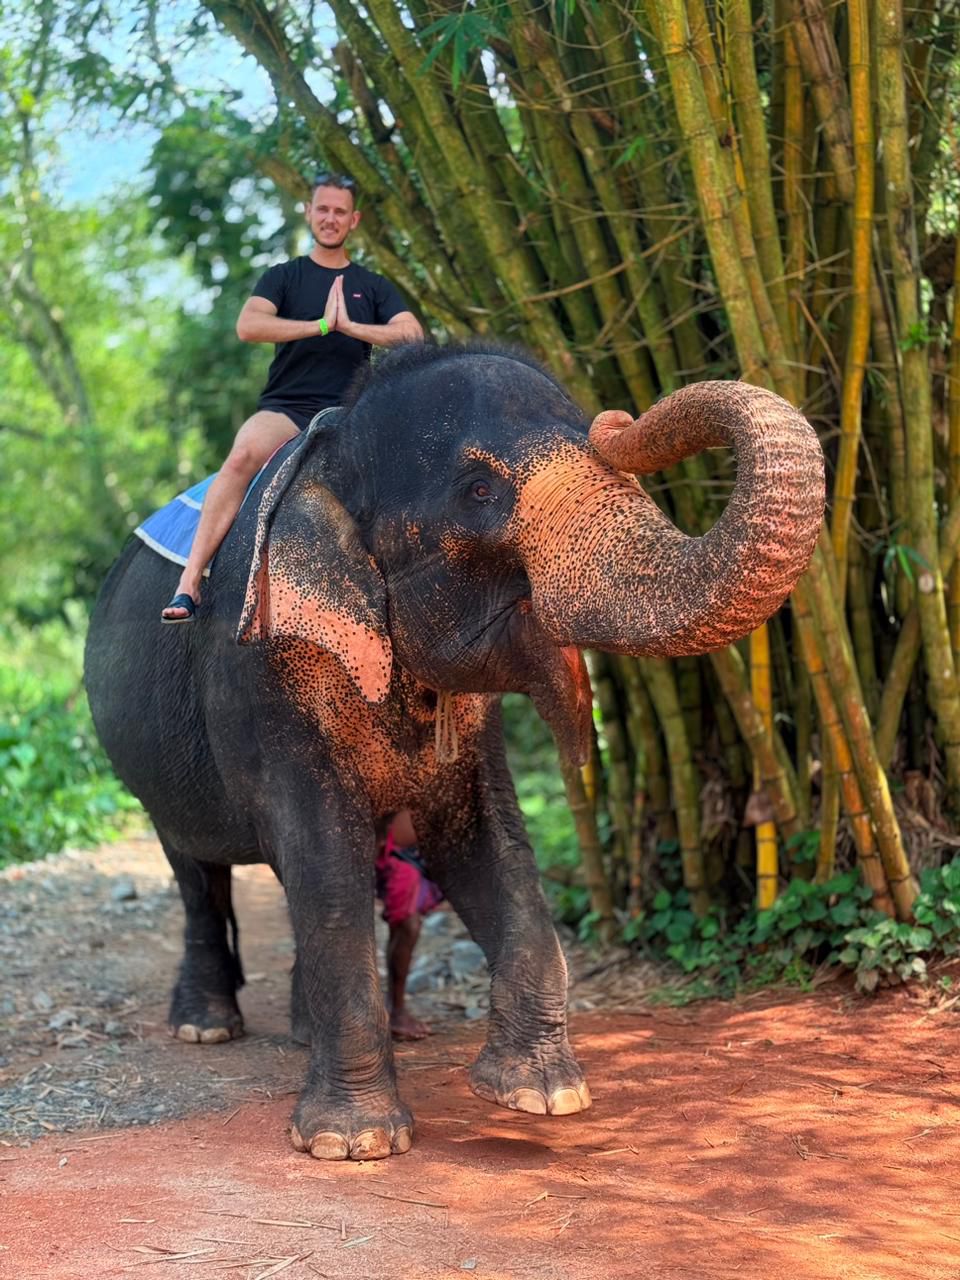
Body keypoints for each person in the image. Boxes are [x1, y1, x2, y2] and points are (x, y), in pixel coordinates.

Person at [161, 173, 423, 622]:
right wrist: (319, 325)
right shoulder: (284, 277)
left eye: (340, 211)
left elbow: (413, 334)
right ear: (308, 211)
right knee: (242, 455)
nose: (330, 218)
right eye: (322, 209)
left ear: (353, 219)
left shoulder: (372, 286)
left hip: (352, 414)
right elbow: (249, 326)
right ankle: (189, 585)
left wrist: (352, 327)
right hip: (288, 410)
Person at [375, 810, 444, 1040]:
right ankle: (395, 1009)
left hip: (418, 856)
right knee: (407, 925)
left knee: (406, 927)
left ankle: (394, 1007)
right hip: (390, 851)